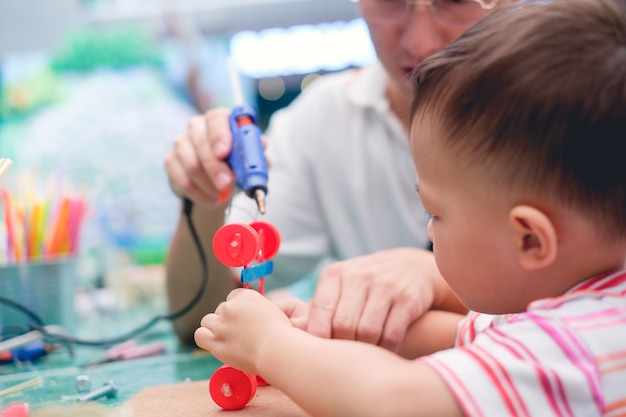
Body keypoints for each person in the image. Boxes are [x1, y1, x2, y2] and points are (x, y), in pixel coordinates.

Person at [194, 0, 626, 414]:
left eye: (435, 214)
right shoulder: (594, 310)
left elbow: (391, 401)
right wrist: (315, 327)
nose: (430, 234)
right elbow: (458, 335)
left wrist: (272, 346)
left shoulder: (569, 349)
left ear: (531, 238)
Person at [165, 0, 512, 346]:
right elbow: (202, 318)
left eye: (455, 1)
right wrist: (205, 199)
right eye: (391, 3)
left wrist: (435, 279)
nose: (419, 43)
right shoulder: (323, 121)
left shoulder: (560, 103)